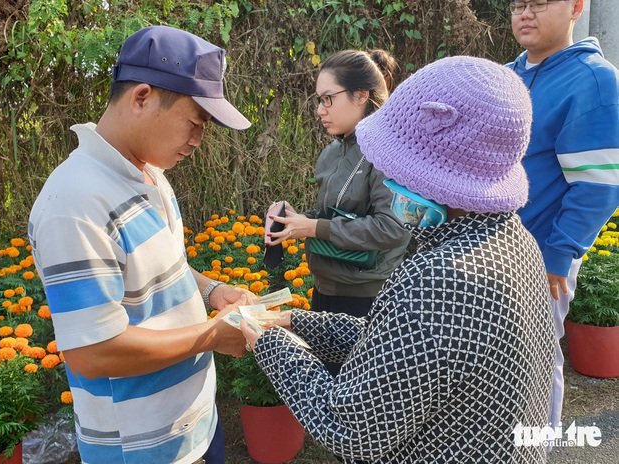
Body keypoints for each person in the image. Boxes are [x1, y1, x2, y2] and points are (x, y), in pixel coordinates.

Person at [242, 56, 556, 463]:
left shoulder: (436, 278)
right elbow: (400, 349)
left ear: (435, 169)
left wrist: (269, 344)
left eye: (395, 164)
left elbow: (350, 427)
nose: (389, 179)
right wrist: (294, 322)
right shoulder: (515, 242)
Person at [28, 26, 255, 464]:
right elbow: (93, 352)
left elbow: (156, 266)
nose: (197, 141)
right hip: (142, 449)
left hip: (196, 424)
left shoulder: (148, 171)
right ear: (142, 97)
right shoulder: (75, 205)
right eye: (194, 123)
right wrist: (213, 334)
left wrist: (210, 291)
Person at [507, 0, 619, 433]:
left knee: (531, 368)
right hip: (490, 250)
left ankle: (536, 451)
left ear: (576, 7)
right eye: (518, 4)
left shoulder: (593, 79)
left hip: (540, 259)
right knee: (494, 372)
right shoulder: (507, 74)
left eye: (539, 2)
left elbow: (599, 184)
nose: (525, 13)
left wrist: (559, 255)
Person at [267, 49, 411, 375]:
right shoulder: (333, 152)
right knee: (329, 395)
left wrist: (316, 228)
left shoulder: (387, 152)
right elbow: (331, 215)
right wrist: (290, 218)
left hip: (366, 301)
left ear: (361, 95)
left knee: (359, 404)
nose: (320, 110)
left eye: (328, 99)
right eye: (318, 100)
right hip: (324, 293)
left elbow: (393, 228)